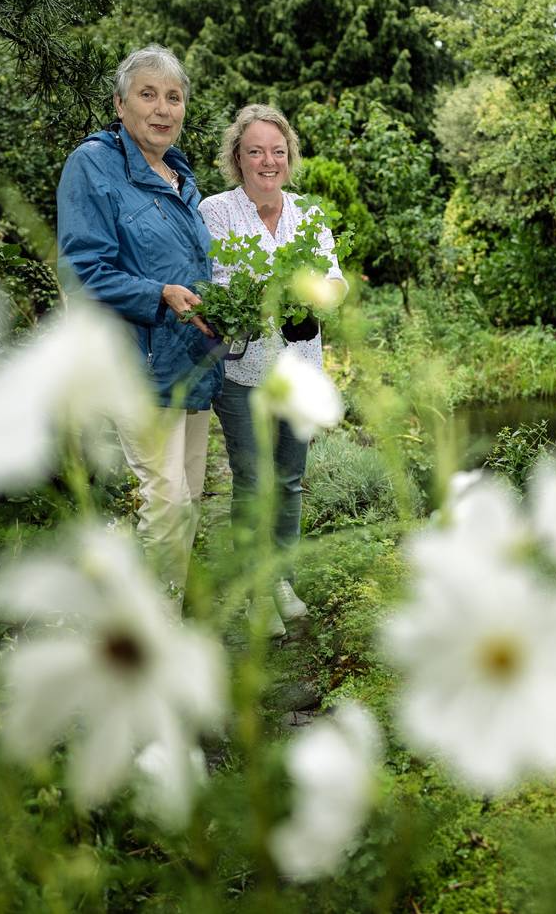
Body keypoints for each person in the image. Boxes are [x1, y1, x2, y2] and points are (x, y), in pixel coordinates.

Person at [57, 44, 223, 595]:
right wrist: (161, 294)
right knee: (166, 503)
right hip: (140, 364)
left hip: (190, 365)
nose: (162, 108)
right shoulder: (94, 164)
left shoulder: (179, 174)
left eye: (173, 97)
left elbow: (192, 267)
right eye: (147, 94)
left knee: (189, 497)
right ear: (120, 104)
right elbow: (82, 270)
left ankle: (166, 616)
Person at [199, 104, 347, 637]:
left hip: (299, 372)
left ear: (290, 158)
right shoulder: (216, 211)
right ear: (237, 158)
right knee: (252, 479)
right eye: (256, 150)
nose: (268, 161)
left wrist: (318, 296)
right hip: (243, 374)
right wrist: (256, 297)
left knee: (288, 479)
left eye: (278, 151)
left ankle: (279, 578)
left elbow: (334, 280)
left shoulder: (308, 215)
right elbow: (211, 285)